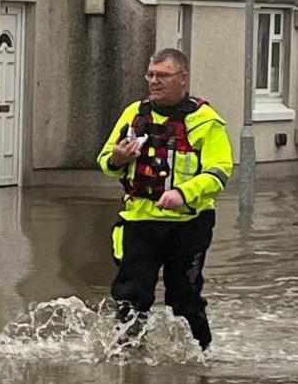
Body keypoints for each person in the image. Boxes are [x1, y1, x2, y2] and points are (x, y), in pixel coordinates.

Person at [97, 49, 233, 350]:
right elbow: (105, 161)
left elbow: (219, 173)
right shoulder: (134, 114)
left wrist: (183, 193)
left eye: (163, 75)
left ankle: (200, 356)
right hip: (139, 221)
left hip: (189, 223)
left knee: (185, 297)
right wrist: (117, 159)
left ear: (183, 78)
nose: (154, 81)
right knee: (130, 296)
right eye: (151, 75)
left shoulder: (205, 120)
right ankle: (126, 359)